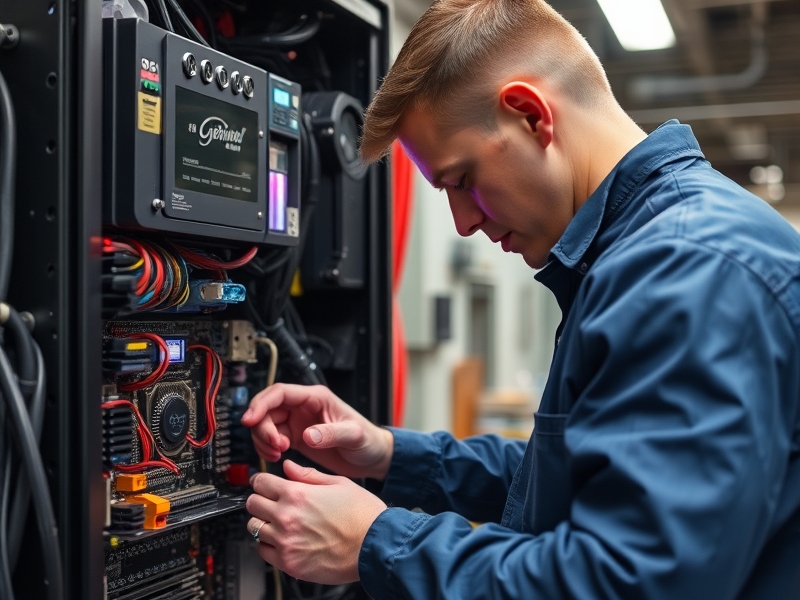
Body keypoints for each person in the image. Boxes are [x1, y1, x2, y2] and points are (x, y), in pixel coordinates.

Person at [241, 0, 800, 597]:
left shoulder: (689, 269)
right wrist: (387, 454)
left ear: (530, 115)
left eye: (460, 181)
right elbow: (575, 482)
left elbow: (631, 582)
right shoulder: (641, 256)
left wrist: (377, 542)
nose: (460, 222)